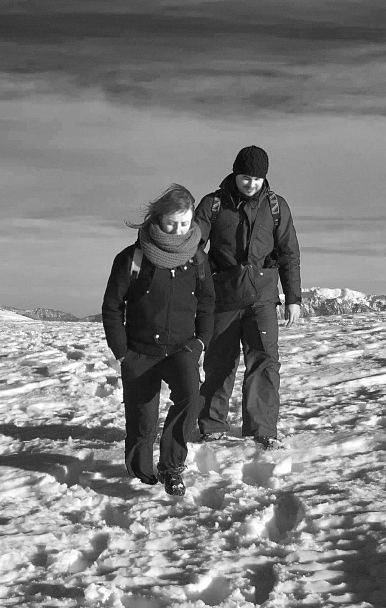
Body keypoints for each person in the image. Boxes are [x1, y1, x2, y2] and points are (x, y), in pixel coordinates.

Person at [102, 184, 214, 496]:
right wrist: (122, 351)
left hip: (182, 348)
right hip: (140, 351)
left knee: (191, 397)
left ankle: (172, 466)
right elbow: (112, 306)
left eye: (185, 223)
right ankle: (139, 472)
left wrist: (201, 342)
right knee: (143, 421)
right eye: (171, 222)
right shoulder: (133, 258)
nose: (178, 230)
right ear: (158, 218)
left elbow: (207, 306)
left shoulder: (198, 260)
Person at [194, 145, 301, 449]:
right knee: (219, 363)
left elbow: (288, 253)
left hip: (263, 297)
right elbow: (192, 246)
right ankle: (212, 425)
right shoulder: (213, 204)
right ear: (235, 173)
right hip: (222, 297)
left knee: (265, 362)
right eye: (245, 177)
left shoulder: (276, 207)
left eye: (256, 178)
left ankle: (262, 430)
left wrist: (293, 297)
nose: (250, 184)